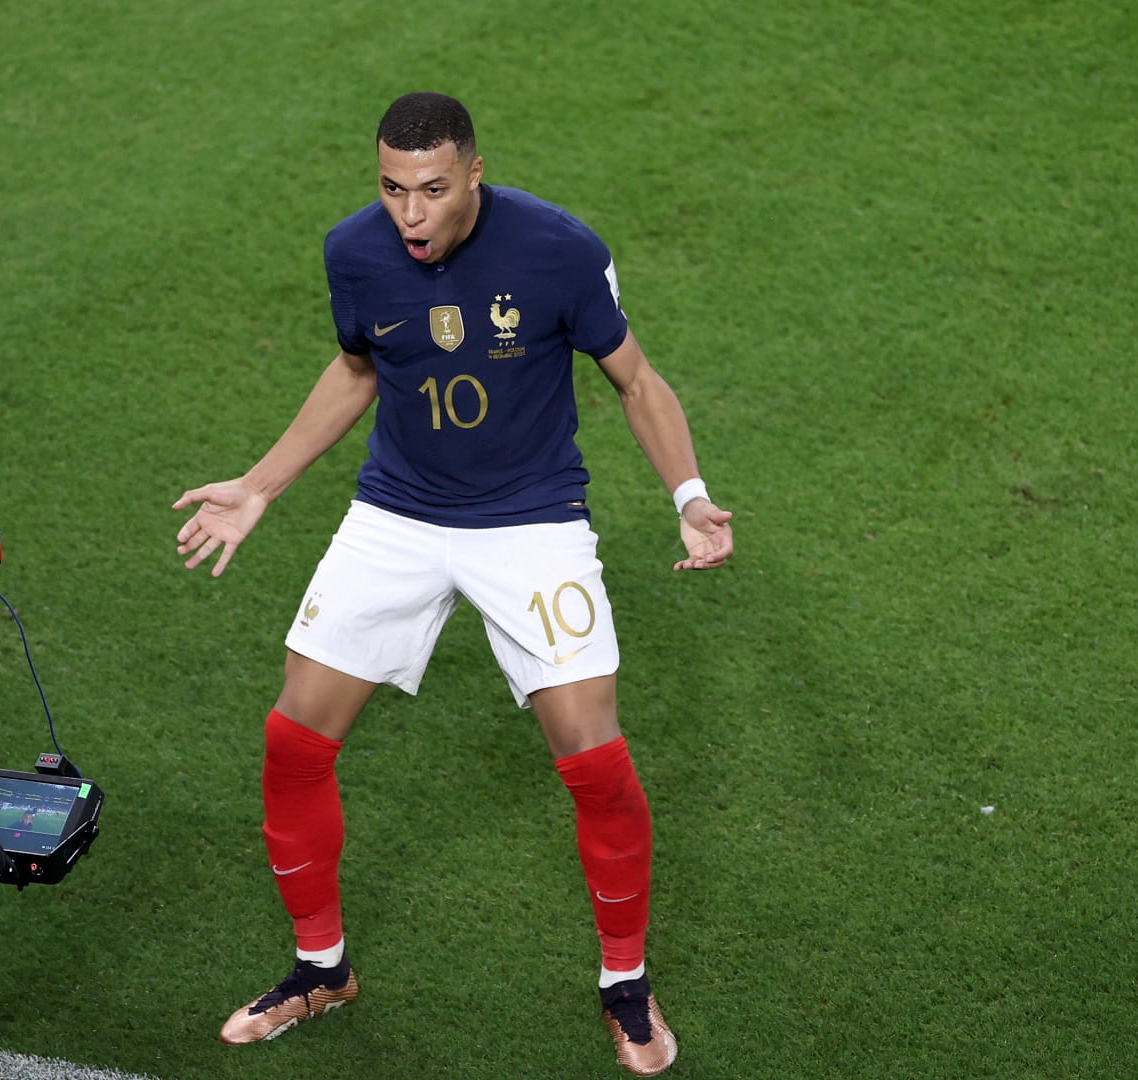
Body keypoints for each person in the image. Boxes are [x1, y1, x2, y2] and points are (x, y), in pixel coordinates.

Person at [173, 92, 732, 1077]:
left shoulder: (559, 249)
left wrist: (689, 497)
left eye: (431, 189)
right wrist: (260, 485)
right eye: (392, 189)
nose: (410, 213)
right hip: (398, 516)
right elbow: (358, 369)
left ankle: (626, 984)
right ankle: (320, 970)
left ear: (475, 172)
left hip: (531, 522)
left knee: (596, 759)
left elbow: (636, 382)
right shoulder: (355, 250)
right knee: (293, 739)